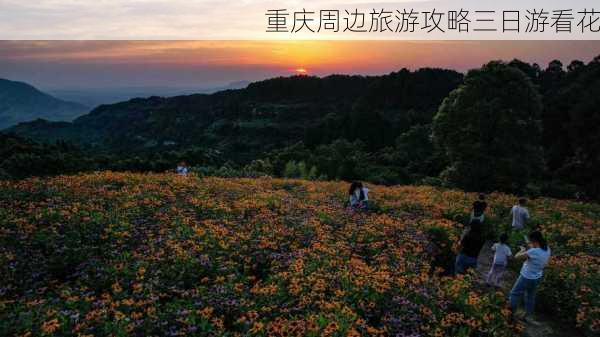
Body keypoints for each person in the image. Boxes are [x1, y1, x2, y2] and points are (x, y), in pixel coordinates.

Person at [509, 231, 551, 321]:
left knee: (514, 293)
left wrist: (522, 250)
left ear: (534, 241)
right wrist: (529, 245)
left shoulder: (533, 251)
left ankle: (510, 312)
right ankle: (527, 315)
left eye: (531, 242)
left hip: (526, 277)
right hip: (537, 277)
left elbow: (516, 257)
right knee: (530, 296)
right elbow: (536, 251)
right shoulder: (547, 249)